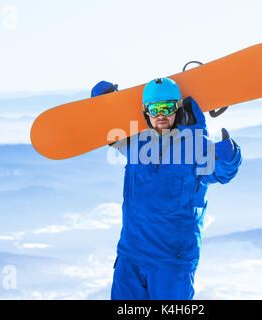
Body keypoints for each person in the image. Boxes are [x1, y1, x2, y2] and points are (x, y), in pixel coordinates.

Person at [91, 78, 242, 300]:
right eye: (155, 109)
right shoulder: (137, 143)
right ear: (146, 112)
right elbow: (112, 136)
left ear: (178, 109)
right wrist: (105, 105)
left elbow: (221, 172)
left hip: (171, 261)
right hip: (130, 256)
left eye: (167, 108)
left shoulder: (195, 145)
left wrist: (229, 157)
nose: (161, 115)